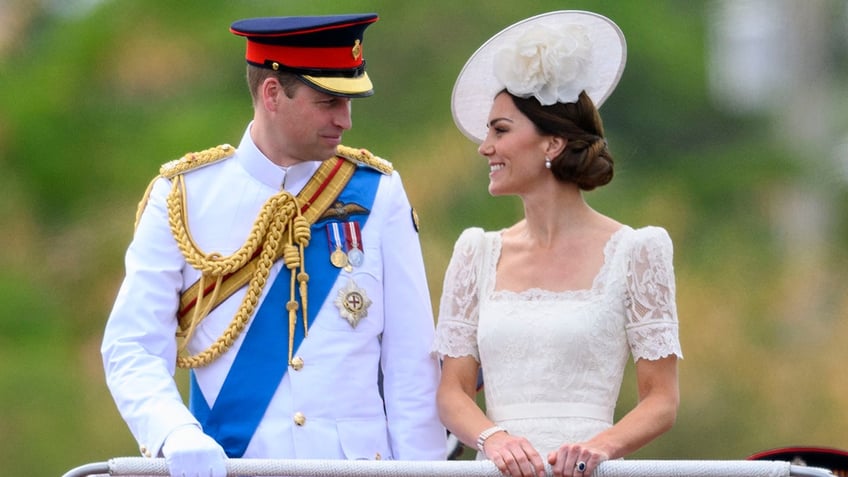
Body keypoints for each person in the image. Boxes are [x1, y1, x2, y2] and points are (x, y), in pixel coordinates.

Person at [101, 13, 446, 477]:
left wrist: (424, 471)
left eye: (349, 102)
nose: (345, 120)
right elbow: (132, 346)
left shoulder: (378, 192)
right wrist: (174, 432)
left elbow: (411, 367)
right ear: (271, 95)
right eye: (328, 102)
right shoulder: (184, 196)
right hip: (232, 465)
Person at [433, 10, 682, 477]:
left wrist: (599, 447)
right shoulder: (475, 253)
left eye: (500, 130)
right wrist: (495, 439)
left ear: (551, 145)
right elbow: (452, 392)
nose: (484, 146)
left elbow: (662, 400)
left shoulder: (638, 251)